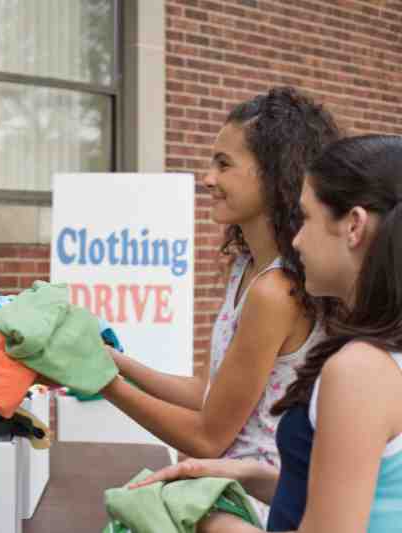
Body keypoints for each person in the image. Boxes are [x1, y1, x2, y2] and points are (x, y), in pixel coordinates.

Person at [129, 134, 402, 533]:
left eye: (307, 219)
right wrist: (248, 475)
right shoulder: (377, 356)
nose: (296, 238)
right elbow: (360, 497)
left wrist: (210, 521)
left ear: (354, 226)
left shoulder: (359, 369)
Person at [97, 87, 340, 518]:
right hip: (222, 488)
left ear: (274, 174)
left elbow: (207, 436)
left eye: (223, 164)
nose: (207, 178)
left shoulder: (276, 290)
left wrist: (99, 381)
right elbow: (211, 394)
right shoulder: (247, 266)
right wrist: (114, 361)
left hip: (257, 506)